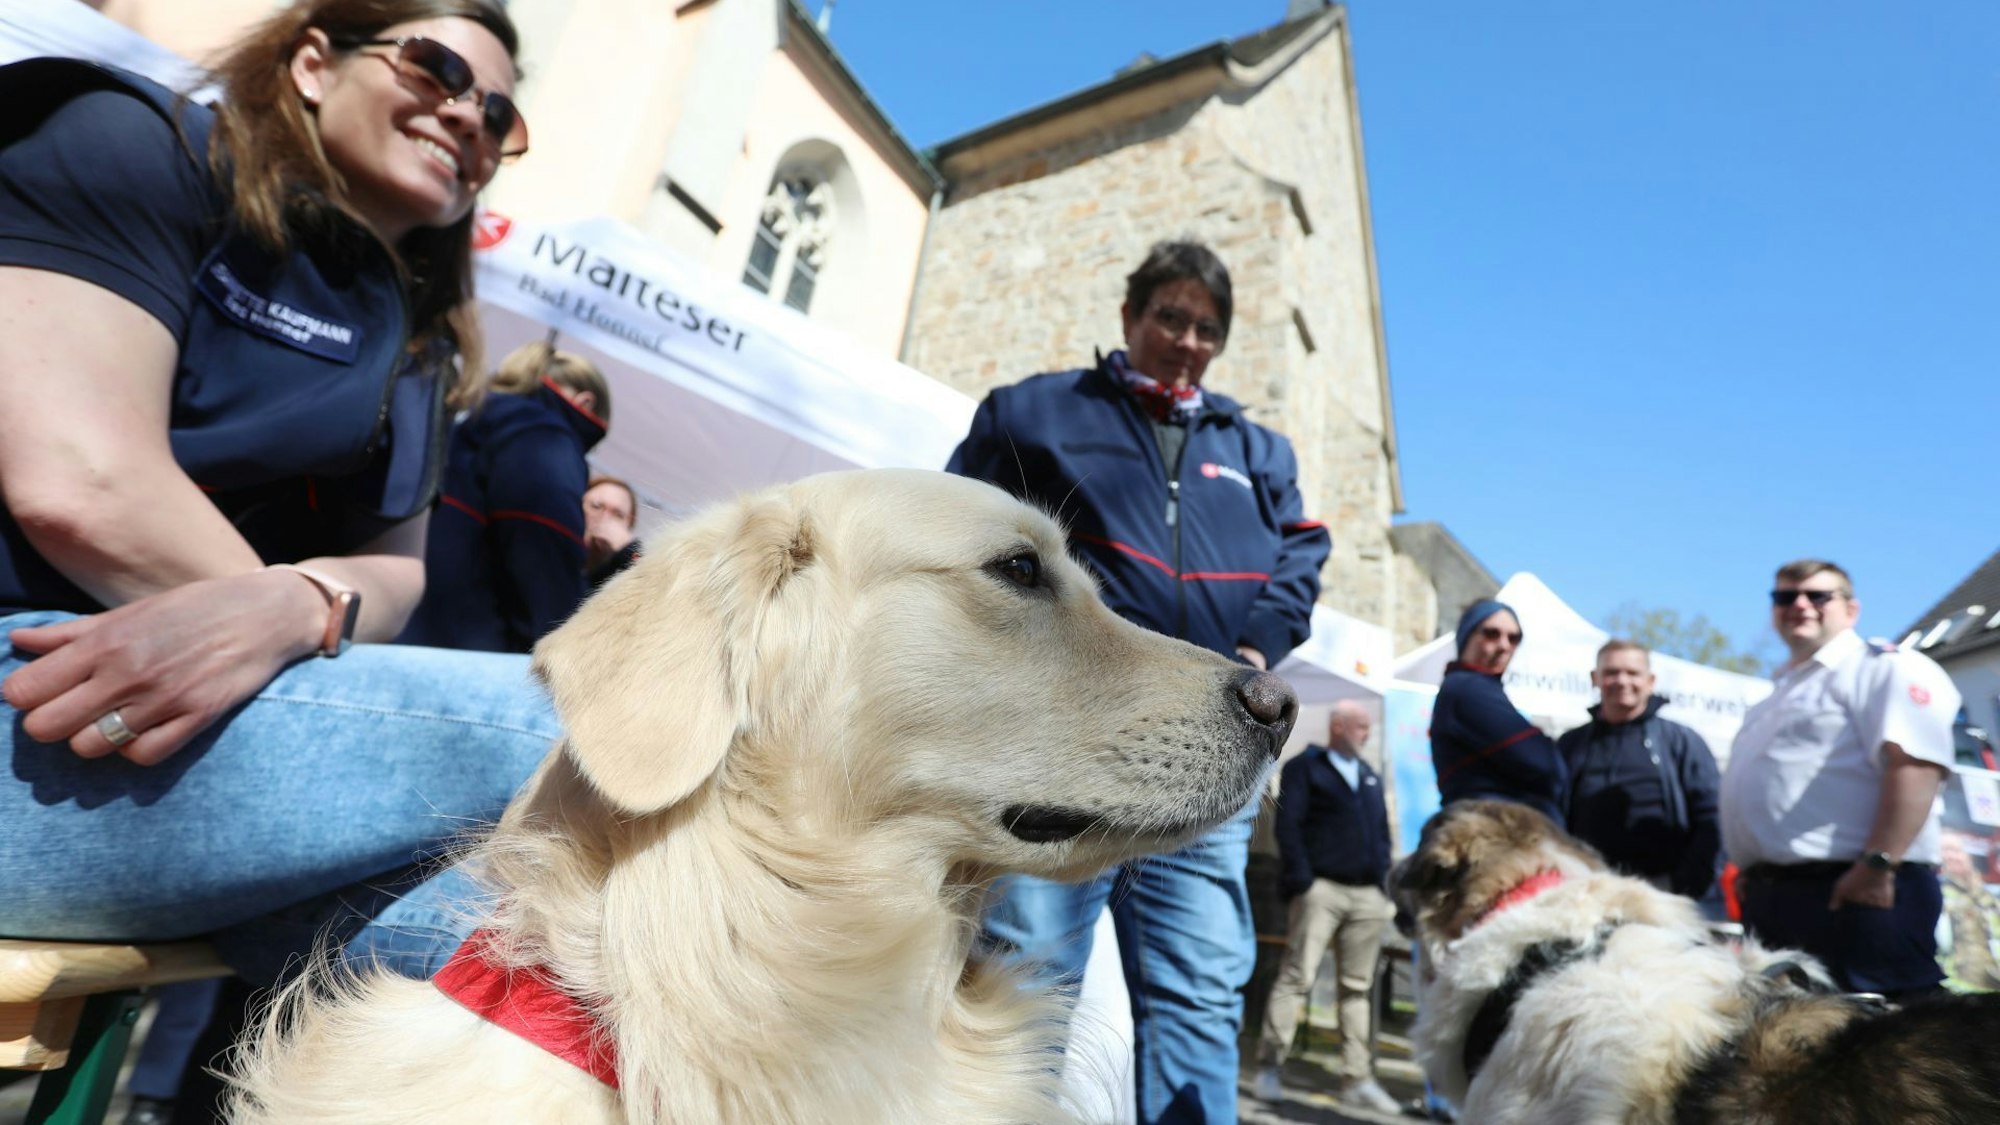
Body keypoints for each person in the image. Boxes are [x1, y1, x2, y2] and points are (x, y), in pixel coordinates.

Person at [0, 0, 560, 985]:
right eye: (436, 69)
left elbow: (395, 571)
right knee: (572, 745)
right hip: (35, 679)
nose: (467, 115)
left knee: (551, 936)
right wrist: (277, 616)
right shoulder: (136, 147)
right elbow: (82, 480)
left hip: (185, 730)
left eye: (498, 114)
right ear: (312, 64)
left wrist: (294, 607)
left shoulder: (420, 345)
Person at [948, 239, 1330, 1125]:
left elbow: (1303, 551)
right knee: (1029, 975)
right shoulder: (1034, 411)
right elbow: (965, 542)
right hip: (1067, 745)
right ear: (1129, 316)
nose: (1188, 340)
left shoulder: (1258, 450)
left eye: (1207, 328)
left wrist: (1260, 641)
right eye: (1171, 317)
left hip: (1216, 750)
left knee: (1200, 989)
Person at [1719, 560, 1960, 1001]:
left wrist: (1878, 865)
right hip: (1780, 898)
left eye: (1817, 595)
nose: (1800, 605)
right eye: (1785, 597)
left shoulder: (1881, 667)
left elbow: (1917, 766)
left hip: (1856, 892)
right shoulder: (1779, 693)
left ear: (1851, 610)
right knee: (1788, 1034)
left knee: (1887, 1034)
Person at [397, 340, 610, 652]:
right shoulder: (542, 434)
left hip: (403, 620)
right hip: (462, 649)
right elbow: (547, 562)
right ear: (586, 403)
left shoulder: (469, 416)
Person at [1251, 701, 1399, 1114]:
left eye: (1368, 727)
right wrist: (1304, 881)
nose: (1367, 733)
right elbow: (1289, 825)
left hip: (1367, 896)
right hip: (1322, 890)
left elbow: (1381, 835)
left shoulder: (1369, 775)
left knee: (1357, 989)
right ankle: (1268, 1066)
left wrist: (1382, 885)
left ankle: (1357, 1079)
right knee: (1296, 976)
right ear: (1338, 726)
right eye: (1361, 725)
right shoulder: (1306, 768)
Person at [1558, 639, 1722, 897]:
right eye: (1611, 672)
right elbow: (1552, 813)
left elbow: (1711, 813)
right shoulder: (1572, 744)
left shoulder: (1681, 741)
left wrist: (1688, 882)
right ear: (1595, 678)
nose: (1622, 681)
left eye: (1632, 673)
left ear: (1650, 681)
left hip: (1664, 892)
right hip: (1585, 890)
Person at [1430, 600, 1567, 825]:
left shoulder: (1476, 688)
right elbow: (1542, 762)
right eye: (1491, 634)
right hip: (1494, 829)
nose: (1504, 645)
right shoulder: (1467, 687)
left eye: (1514, 638)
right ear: (1467, 637)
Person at [583, 474, 641, 590]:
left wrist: (627, 550)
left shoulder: (623, 577)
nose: (605, 519)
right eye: (596, 506)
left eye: (618, 515)